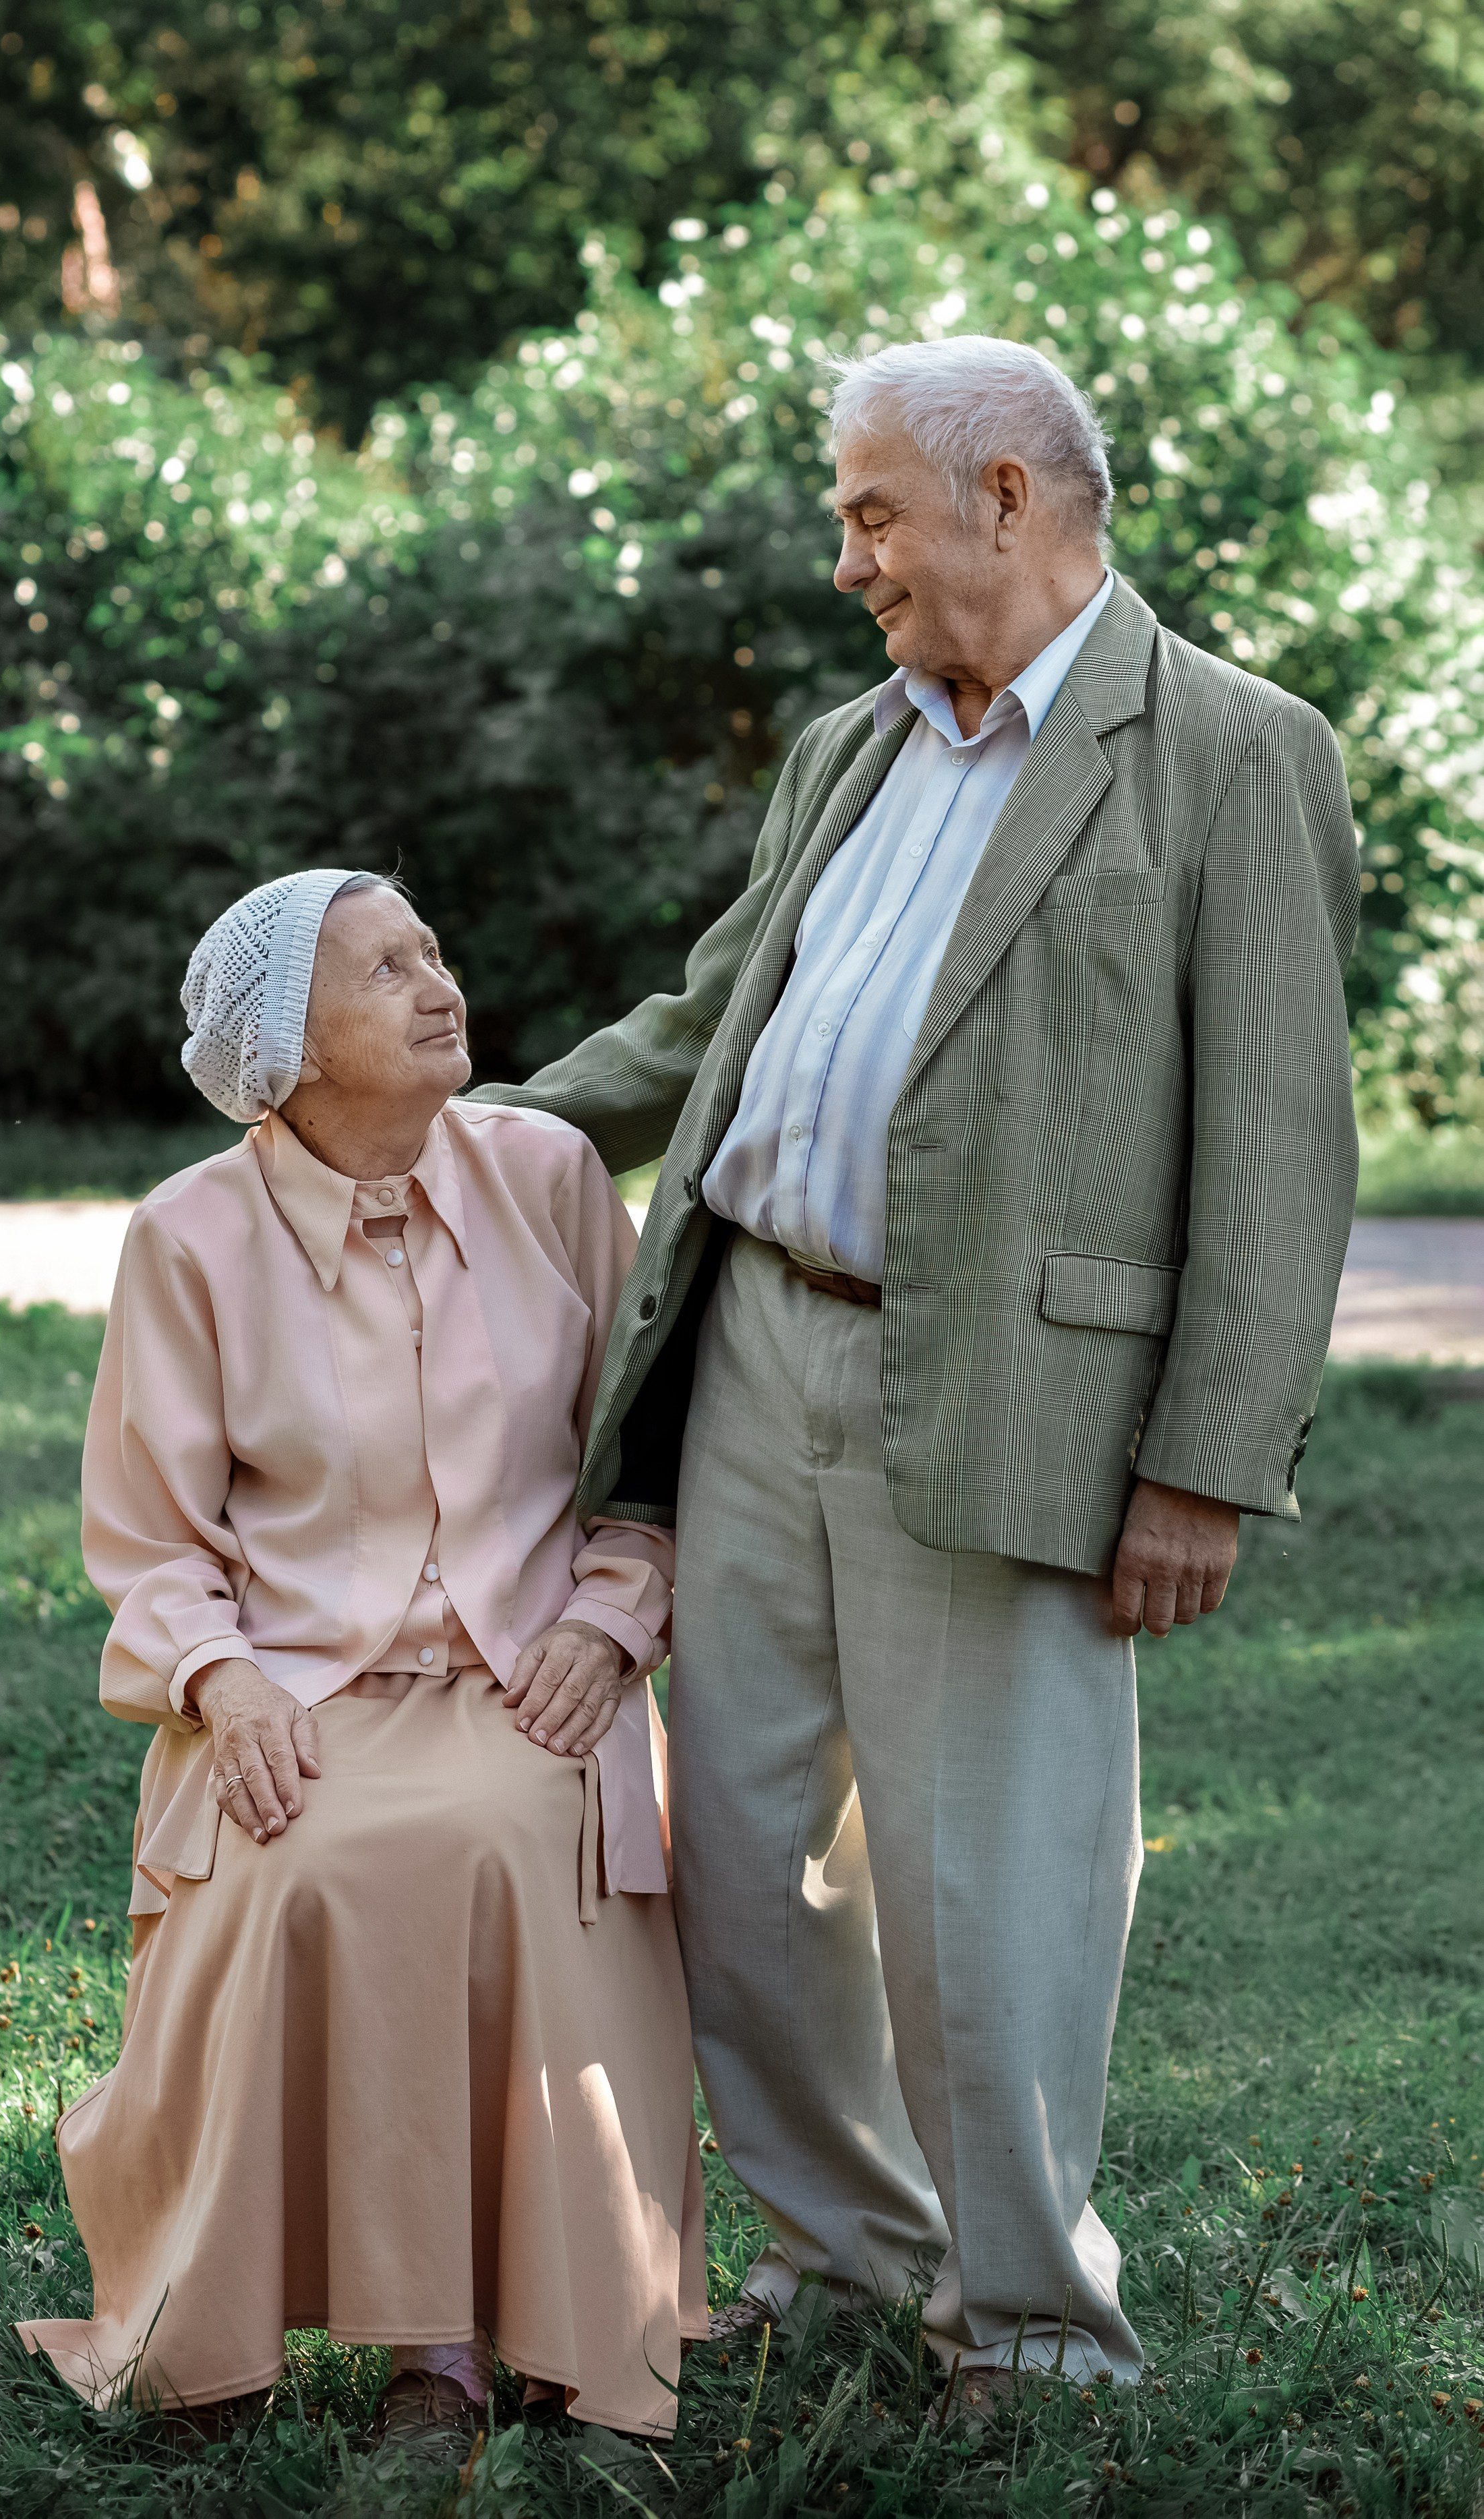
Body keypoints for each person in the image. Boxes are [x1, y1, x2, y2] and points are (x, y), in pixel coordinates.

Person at [471, 335, 1360, 2390]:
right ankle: (839, 2258)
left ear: (1008, 499)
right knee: (749, 1860)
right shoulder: (845, 752)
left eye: (872, 512)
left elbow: (1278, 1145)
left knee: (991, 1883)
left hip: (1017, 1393)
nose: (846, 560)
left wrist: (1203, 1464)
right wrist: (460, 1127)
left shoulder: (1232, 749)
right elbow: (707, 1030)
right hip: (758, 1346)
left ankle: (1032, 2323)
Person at [16, 868, 705, 2445]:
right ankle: (217, 2318)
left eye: (432, 951)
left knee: (508, 1840)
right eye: (385, 971)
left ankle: (478, 2344)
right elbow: (150, 1536)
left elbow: (649, 1460)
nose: (437, 982)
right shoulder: (188, 1235)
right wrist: (226, 1677)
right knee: (289, 1864)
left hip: (531, 1669)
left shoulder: (546, 1177)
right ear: (288, 1053)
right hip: (297, 1680)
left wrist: (610, 1619)